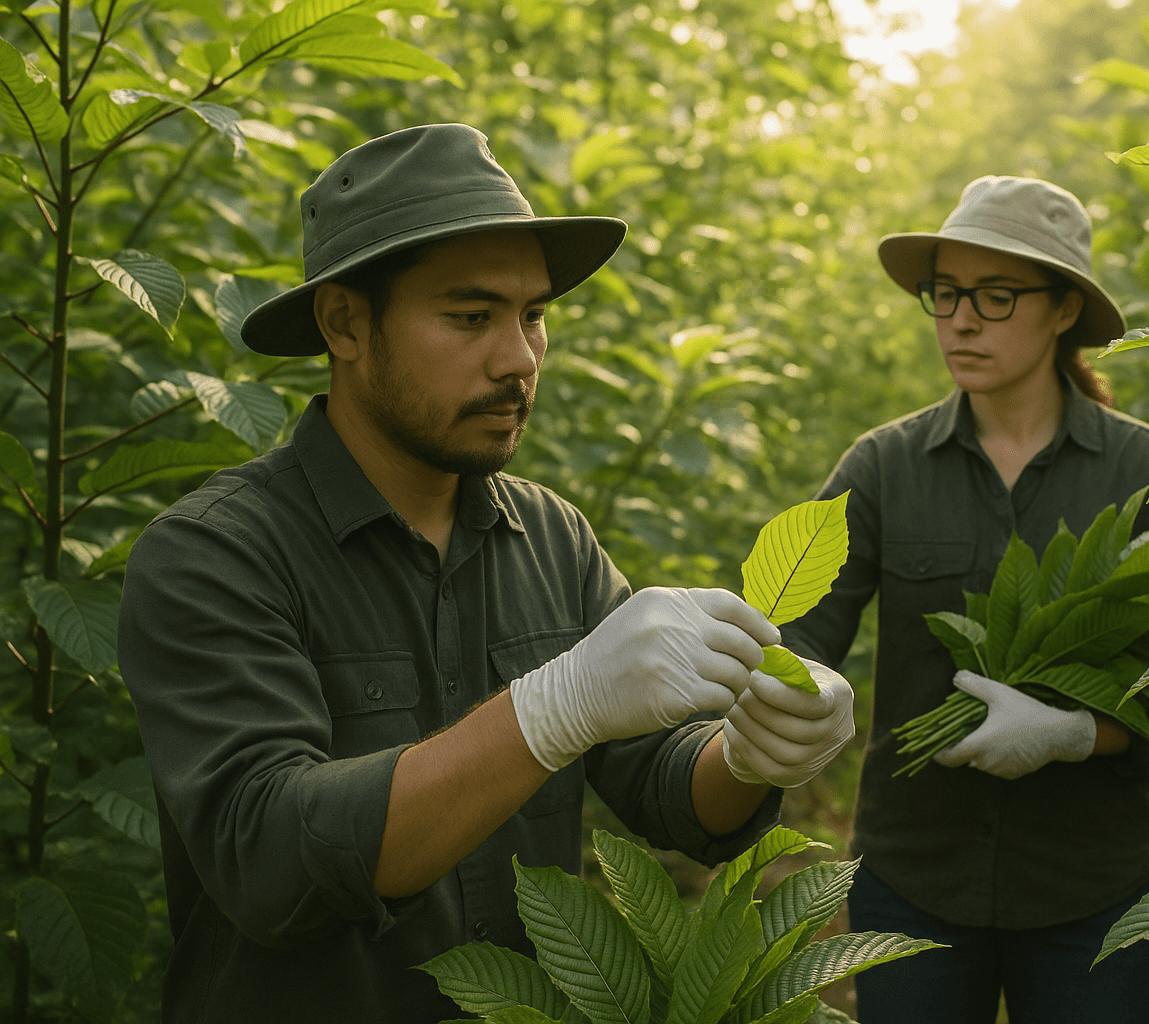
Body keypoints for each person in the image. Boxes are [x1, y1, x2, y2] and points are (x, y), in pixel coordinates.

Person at [117, 123, 856, 1024]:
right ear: (344, 322)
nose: (518, 358)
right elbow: (269, 860)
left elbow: (665, 787)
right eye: (470, 317)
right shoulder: (215, 555)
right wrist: (549, 710)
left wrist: (749, 749)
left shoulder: (550, 537)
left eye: (533, 314)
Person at [777, 176, 1149, 1023]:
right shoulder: (881, 469)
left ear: (1063, 311)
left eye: (997, 296)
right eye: (946, 294)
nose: (962, 320)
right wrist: (783, 691)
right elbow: (799, 640)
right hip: (914, 879)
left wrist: (1078, 733)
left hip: (1095, 889)